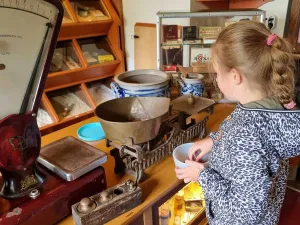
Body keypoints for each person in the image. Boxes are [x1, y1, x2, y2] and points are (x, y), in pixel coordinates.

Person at [175, 20, 300, 225]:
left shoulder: (246, 134)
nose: (216, 79)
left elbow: (245, 214)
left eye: (217, 73)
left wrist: (203, 176)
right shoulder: (265, 105)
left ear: (235, 76)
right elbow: (242, 134)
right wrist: (215, 140)